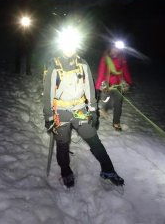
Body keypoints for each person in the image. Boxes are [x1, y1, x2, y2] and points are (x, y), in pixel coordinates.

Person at [42, 37, 124, 188]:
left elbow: (90, 90)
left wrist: (93, 111)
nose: (69, 49)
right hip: (61, 112)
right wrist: (48, 117)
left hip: (80, 111)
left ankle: (108, 170)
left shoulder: (82, 64)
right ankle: (66, 172)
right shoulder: (54, 66)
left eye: (72, 45)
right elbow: (47, 95)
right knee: (62, 144)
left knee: (94, 140)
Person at [95, 43, 132, 131]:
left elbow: (125, 71)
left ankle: (116, 122)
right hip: (107, 84)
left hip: (118, 85)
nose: (115, 50)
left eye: (117, 49)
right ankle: (104, 110)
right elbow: (101, 72)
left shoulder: (122, 59)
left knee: (118, 104)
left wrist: (129, 82)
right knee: (108, 101)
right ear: (110, 48)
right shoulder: (105, 58)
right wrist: (97, 87)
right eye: (114, 48)